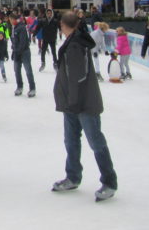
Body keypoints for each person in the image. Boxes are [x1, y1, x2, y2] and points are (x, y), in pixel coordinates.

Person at [51, 11, 117, 202]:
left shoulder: (75, 45)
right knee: (71, 141)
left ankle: (109, 181)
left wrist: (73, 101)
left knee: (95, 141)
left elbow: (77, 77)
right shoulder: (74, 41)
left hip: (83, 103)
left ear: (64, 25)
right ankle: (72, 176)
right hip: (73, 103)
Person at [10, 13, 36, 97]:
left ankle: (32, 88)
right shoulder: (13, 28)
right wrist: (14, 49)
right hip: (17, 52)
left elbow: (23, 42)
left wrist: (17, 51)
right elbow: (14, 41)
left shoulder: (21, 27)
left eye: (11, 20)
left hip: (24, 52)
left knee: (28, 70)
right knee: (17, 70)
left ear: (14, 19)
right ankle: (19, 86)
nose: (10, 21)